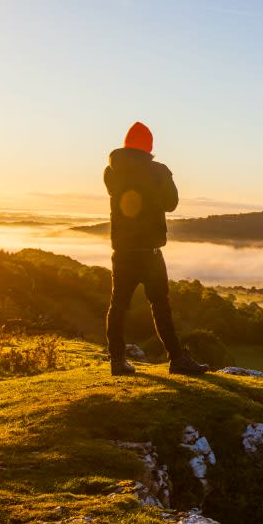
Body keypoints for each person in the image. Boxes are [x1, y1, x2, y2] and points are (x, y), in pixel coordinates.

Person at [103, 121, 208, 376]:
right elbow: (171, 204)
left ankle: (117, 361)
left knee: (118, 306)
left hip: (122, 252)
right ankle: (177, 359)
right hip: (149, 252)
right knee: (160, 306)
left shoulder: (111, 171)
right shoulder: (159, 170)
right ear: (149, 146)